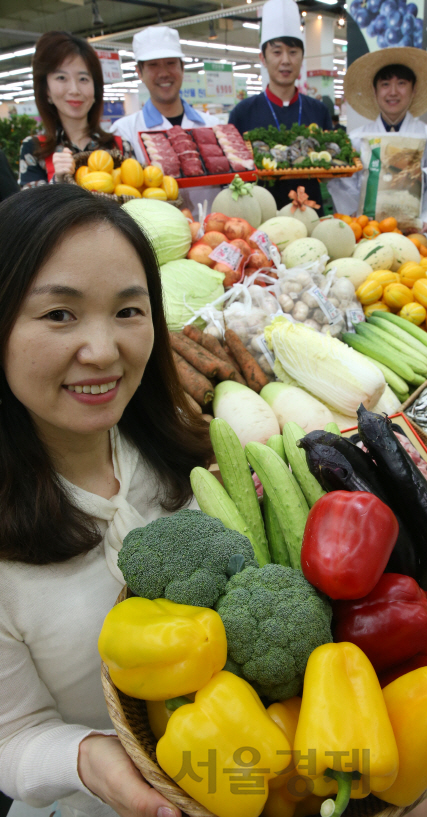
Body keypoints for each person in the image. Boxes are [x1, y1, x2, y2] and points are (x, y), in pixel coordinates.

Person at [0, 183, 213, 817]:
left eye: (128, 311)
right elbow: (11, 735)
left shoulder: (181, 451)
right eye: (59, 315)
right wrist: (89, 757)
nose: (102, 351)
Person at [327, 47, 427, 233]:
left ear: (413, 90)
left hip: (414, 232)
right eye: (385, 84)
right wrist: (356, 217)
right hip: (368, 231)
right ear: (374, 91)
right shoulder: (357, 139)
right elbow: (344, 183)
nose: (393, 92)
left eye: (401, 83)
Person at [228, 0, 333, 209]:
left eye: (293, 52)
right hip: (260, 217)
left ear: (302, 57)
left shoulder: (318, 110)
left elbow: (331, 167)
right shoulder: (243, 113)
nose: (285, 60)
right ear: (263, 58)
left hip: (312, 215)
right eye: (277, 52)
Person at [19, 31, 133, 189]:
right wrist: (57, 181)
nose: (74, 90)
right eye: (61, 78)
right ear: (46, 91)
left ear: (96, 90)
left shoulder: (119, 146)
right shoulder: (35, 149)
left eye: (83, 79)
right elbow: (27, 211)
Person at [111, 26, 218, 164]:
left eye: (170, 63)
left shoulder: (213, 126)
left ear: (182, 68)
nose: (163, 73)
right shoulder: (124, 131)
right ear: (139, 72)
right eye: (153, 65)